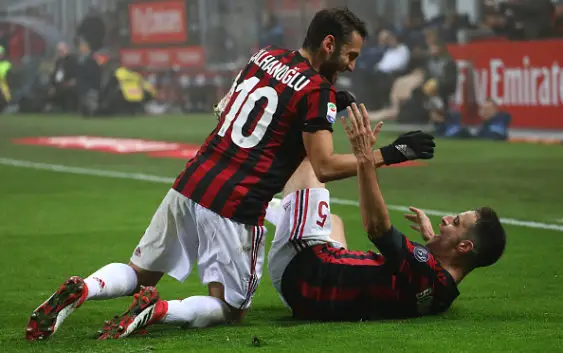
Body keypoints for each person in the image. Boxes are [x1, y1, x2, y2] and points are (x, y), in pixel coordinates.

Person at [25, 7, 434, 341]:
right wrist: (392, 153)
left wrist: (315, 102)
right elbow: (324, 166)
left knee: (138, 272)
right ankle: (158, 311)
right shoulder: (316, 91)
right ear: (328, 43)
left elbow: (225, 108)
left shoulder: (265, 56)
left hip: (191, 181)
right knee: (230, 308)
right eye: (350, 54)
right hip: (235, 202)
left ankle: (86, 288)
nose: (352, 64)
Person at [267, 103, 506, 321]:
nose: (445, 219)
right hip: (314, 292)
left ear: (464, 247)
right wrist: (434, 240)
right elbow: (426, 273)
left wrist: (365, 158)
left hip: (302, 270)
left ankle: (260, 203)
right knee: (334, 221)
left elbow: (377, 228)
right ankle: (289, 213)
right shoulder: (444, 290)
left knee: (309, 157)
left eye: (455, 222)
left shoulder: (424, 270)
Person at [48, 42, 79, 112]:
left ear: (67, 49)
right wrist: (52, 86)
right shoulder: (58, 61)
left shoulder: (72, 60)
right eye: (59, 51)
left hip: (67, 84)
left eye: (62, 50)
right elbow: (54, 75)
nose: (60, 52)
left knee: (63, 90)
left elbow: (74, 74)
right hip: (58, 84)